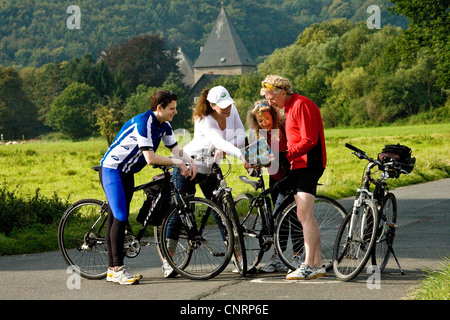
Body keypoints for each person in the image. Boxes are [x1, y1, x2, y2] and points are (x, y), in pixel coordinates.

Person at [99, 90, 198, 285]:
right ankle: (118, 269)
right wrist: (177, 163)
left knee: (115, 216)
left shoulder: (164, 124)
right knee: (120, 216)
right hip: (112, 170)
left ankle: (112, 270)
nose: (175, 112)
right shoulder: (144, 123)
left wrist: (190, 161)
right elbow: (150, 158)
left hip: (127, 173)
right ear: (159, 108)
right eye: (172, 108)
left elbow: (175, 149)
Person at [162, 85, 250, 277]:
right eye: (223, 105)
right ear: (211, 105)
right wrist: (238, 155)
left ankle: (237, 258)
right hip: (190, 165)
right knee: (180, 211)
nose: (228, 108)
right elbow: (218, 141)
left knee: (222, 211)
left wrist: (230, 148)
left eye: (229, 104)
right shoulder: (203, 119)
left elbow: (242, 136)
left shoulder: (231, 109)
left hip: (211, 167)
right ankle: (168, 261)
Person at [260, 75, 327, 280]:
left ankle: (308, 265)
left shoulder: (301, 105)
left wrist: (286, 156)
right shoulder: (289, 108)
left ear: (282, 91)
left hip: (309, 164)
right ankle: (317, 263)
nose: (270, 102)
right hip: (299, 165)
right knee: (306, 216)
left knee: (304, 215)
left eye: (271, 97)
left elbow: (309, 140)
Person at [246, 100, 301, 273]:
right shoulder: (259, 133)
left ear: (274, 115)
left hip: (290, 176)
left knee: (293, 218)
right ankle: (279, 257)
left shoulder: (284, 129)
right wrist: (251, 163)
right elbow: (258, 157)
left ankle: (296, 257)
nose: (264, 123)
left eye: (266, 119)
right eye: (260, 121)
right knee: (280, 219)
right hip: (274, 178)